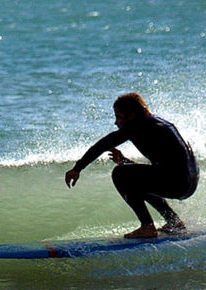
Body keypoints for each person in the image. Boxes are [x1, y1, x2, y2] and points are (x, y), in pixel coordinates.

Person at [65, 93, 198, 239]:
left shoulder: (137, 126)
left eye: (119, 117)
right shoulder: (154, 123)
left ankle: (147, 226)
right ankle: (174, 222)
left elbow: (103, 144)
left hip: (179, 182)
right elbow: (158, 172)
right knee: (134, 179)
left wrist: (77, 168)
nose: (116, 122)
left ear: (131, 115)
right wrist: (124, 162)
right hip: (188, 182)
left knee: (119, 174)